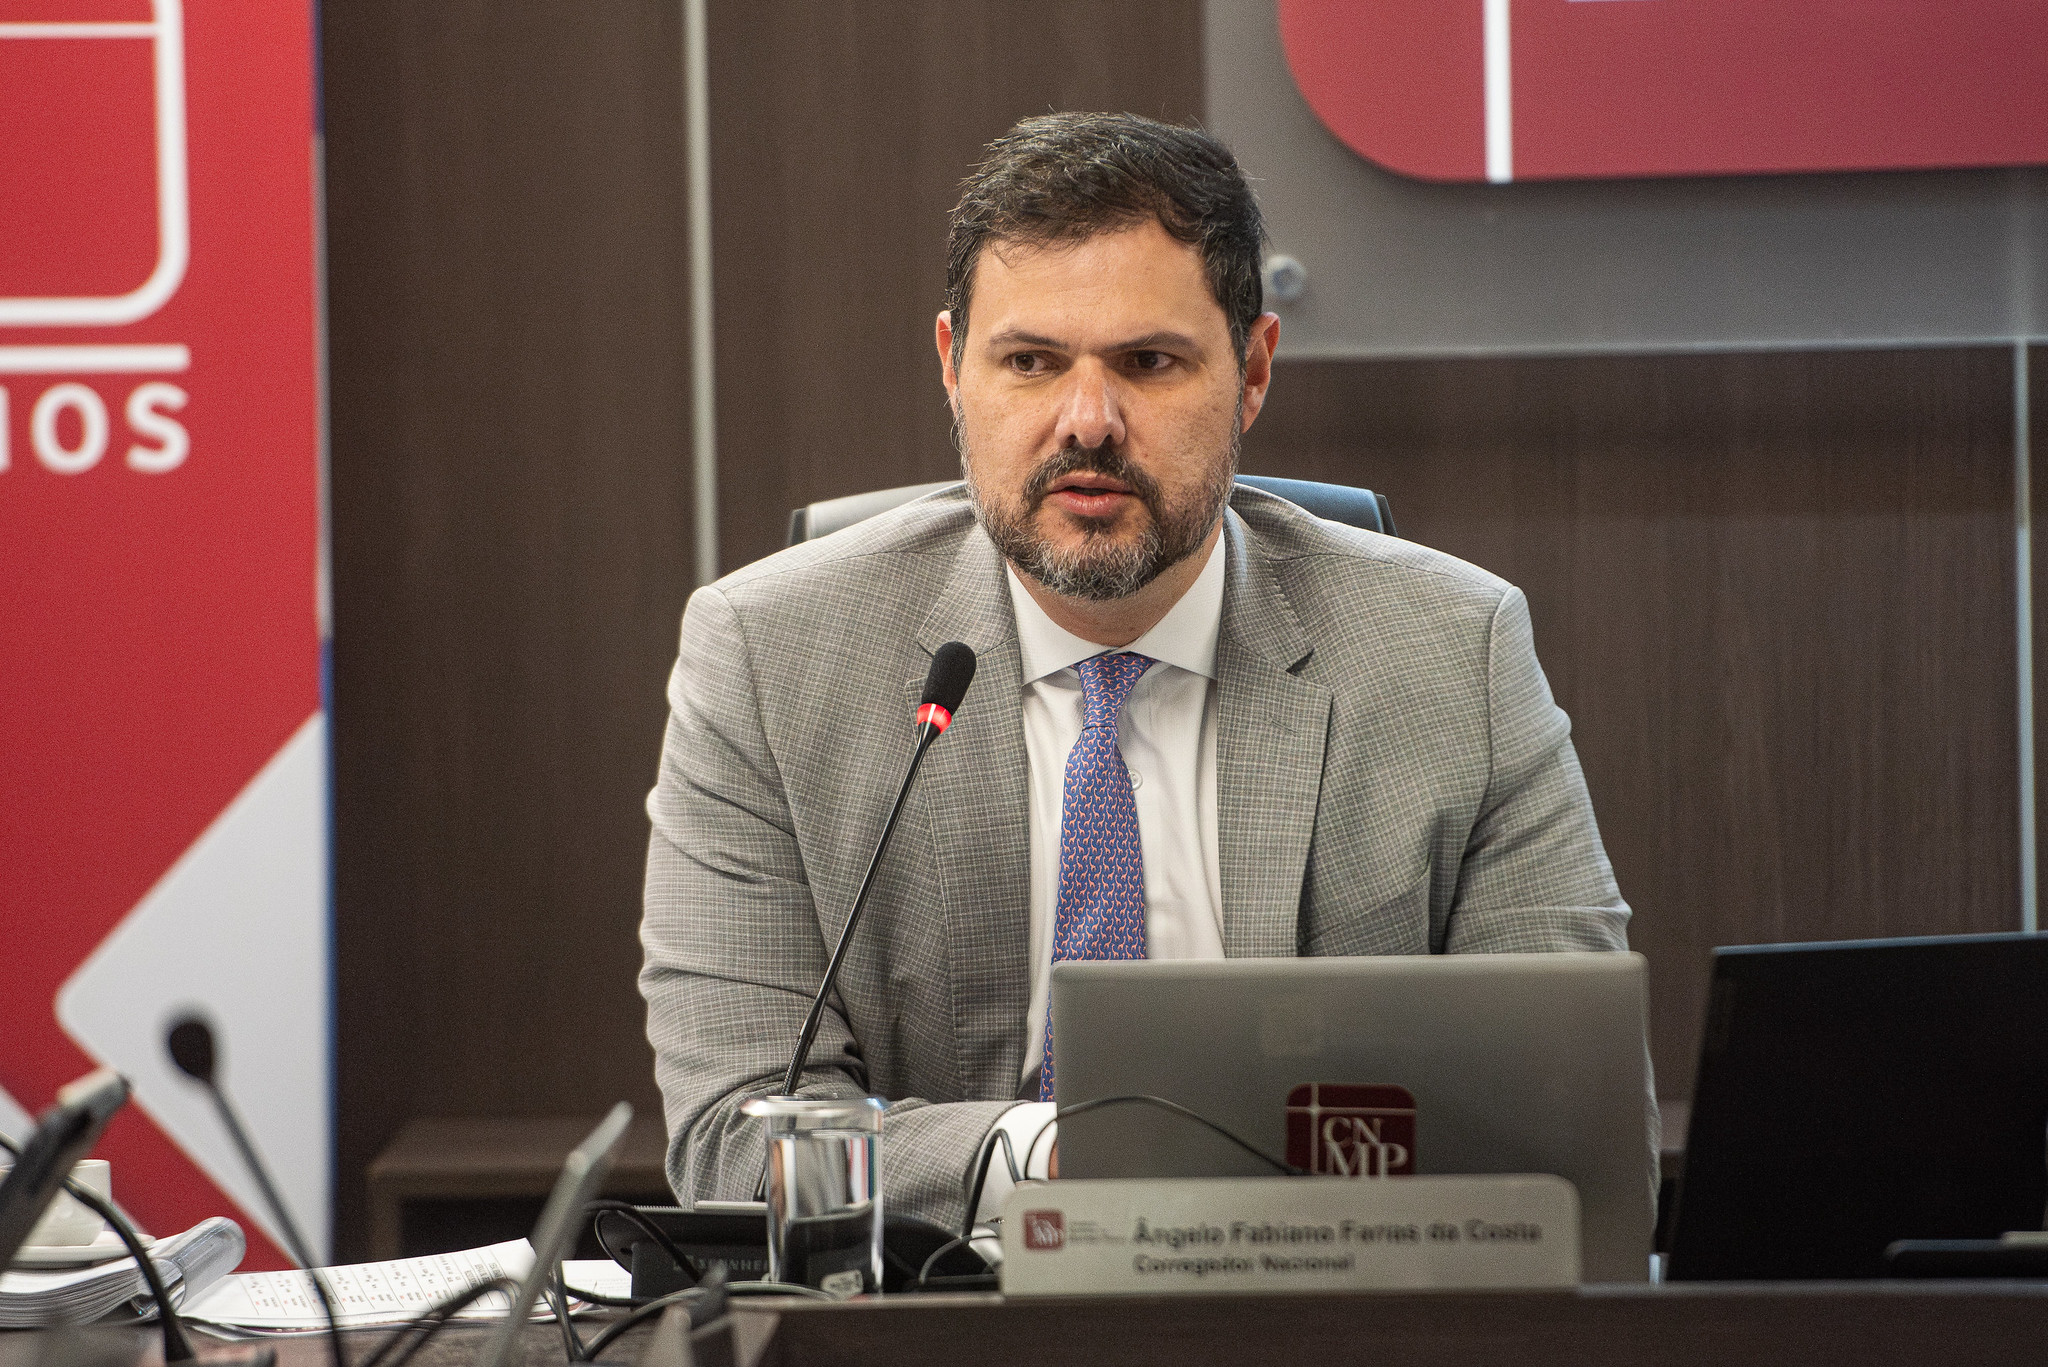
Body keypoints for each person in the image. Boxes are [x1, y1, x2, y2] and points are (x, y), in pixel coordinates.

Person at [639, 112, 1629, 1232]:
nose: (1088, 423)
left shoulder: (1453, 651)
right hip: (939, 1306)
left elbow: (1568, 1128)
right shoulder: (767, 660)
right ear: (953, 368)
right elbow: (737, 1142)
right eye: (1030, 362)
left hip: (1323, 1296)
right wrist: (1077, 1156)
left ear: (1252, 372)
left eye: (1148, 363)